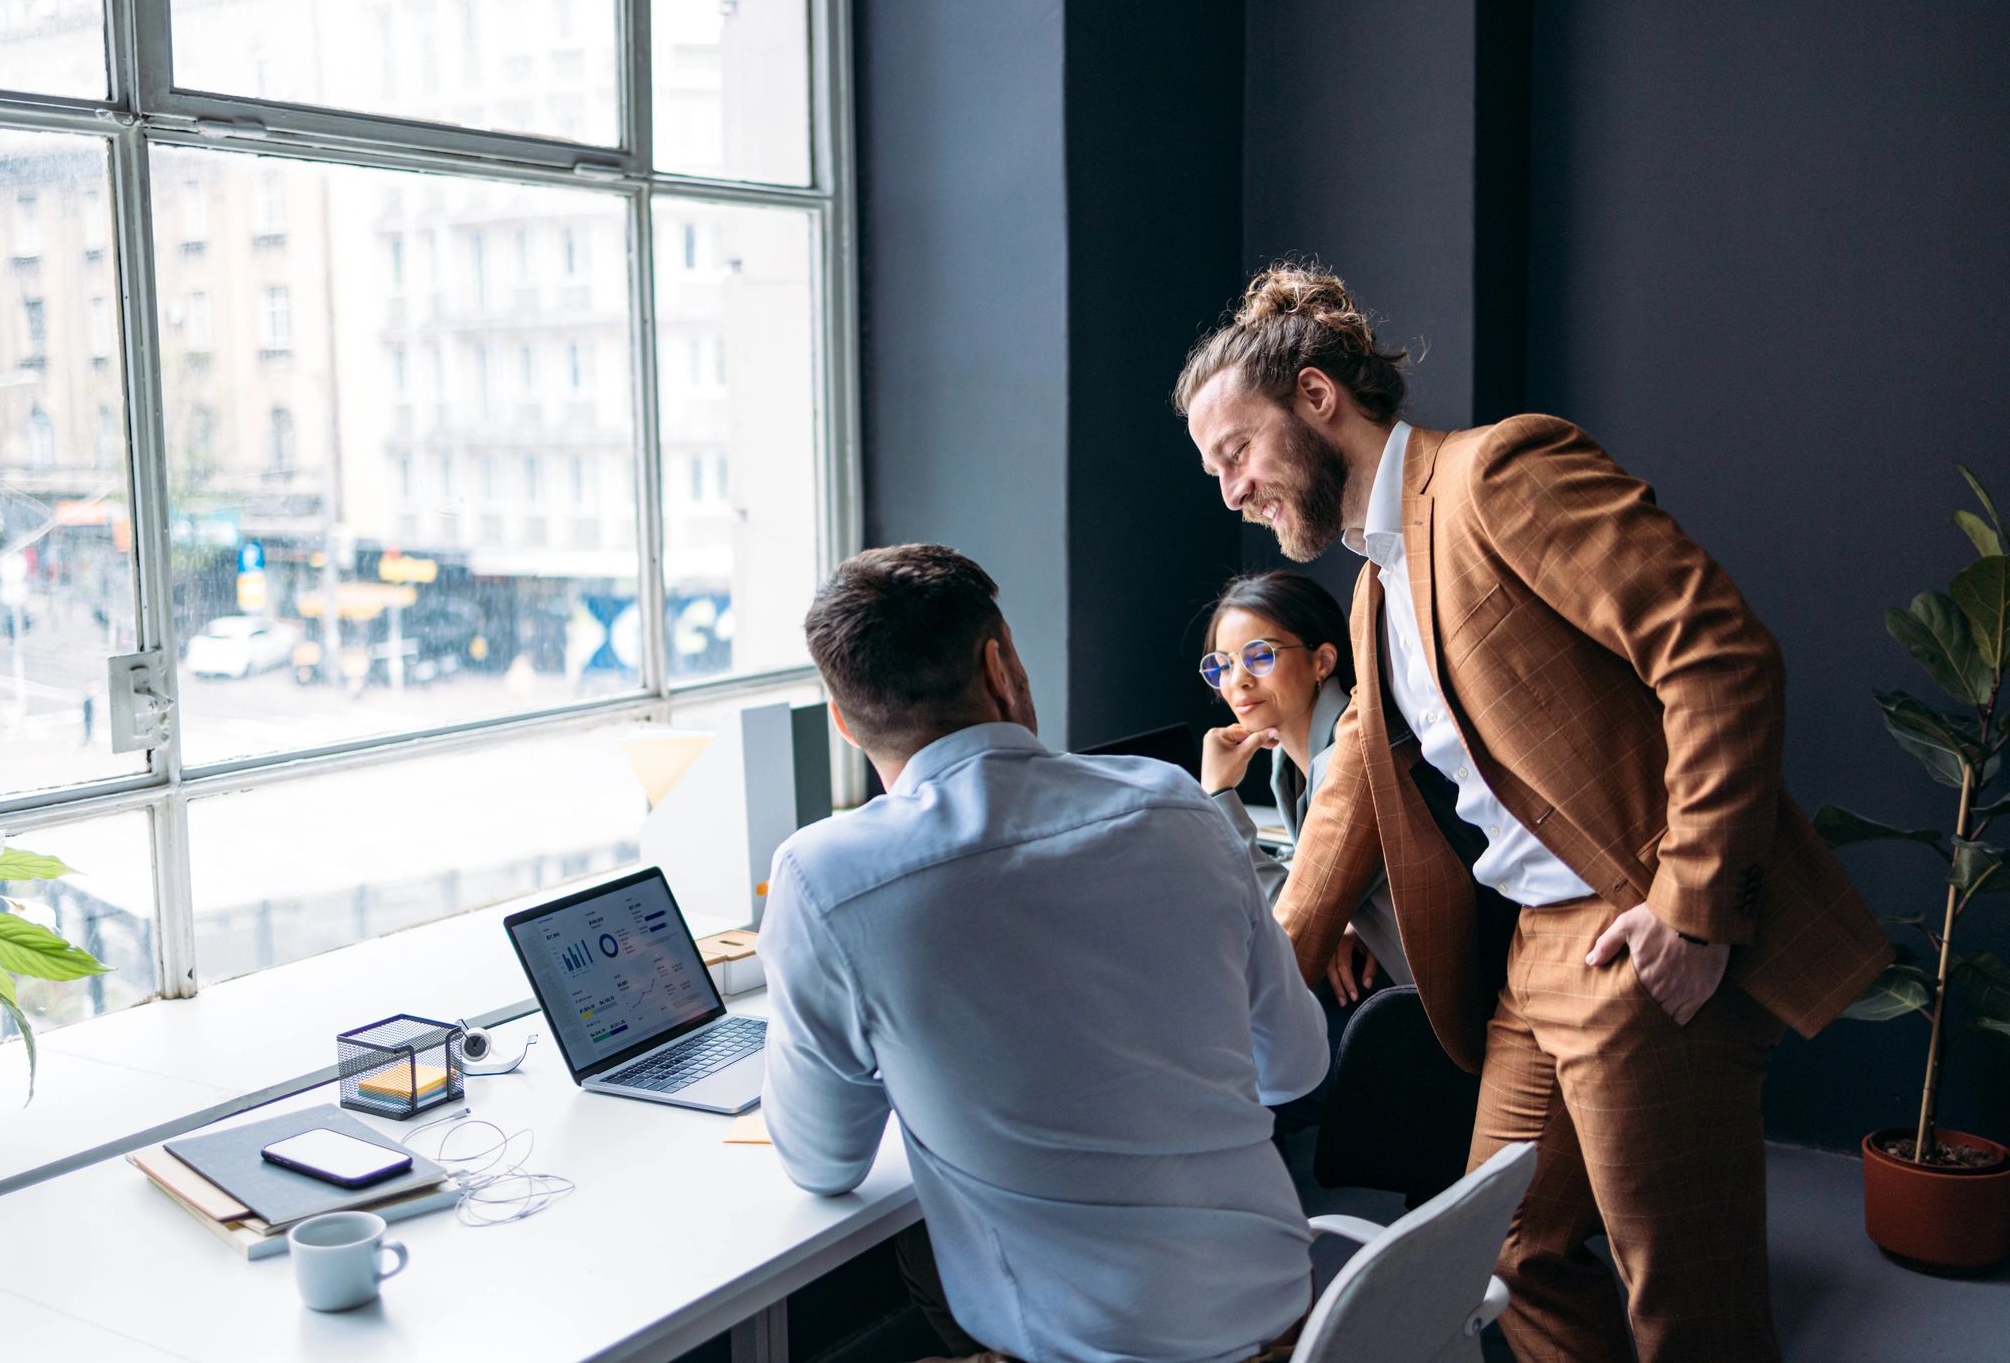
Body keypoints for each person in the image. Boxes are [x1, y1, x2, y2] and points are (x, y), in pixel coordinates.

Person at [1175, 262, 1890, 1362]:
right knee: (1508, 1258)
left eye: (1235, 453)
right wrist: (1240, 999)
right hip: (1533, 956)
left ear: (1317, 398)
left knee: (1685, 1309)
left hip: (1636, 934)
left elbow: (1716, 655)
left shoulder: (1495, 473)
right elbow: (1347, 799)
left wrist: (1691, 910)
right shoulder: (1373, 585)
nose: (1228, 490)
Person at [759, 543, 1329, 1363]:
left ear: (844, 723)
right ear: (1001, 668)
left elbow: (823, 1162)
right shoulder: (1177, 803)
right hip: (1286, 1318)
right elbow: (1294, 1069)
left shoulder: (824, 881)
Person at [1198, 569, 1410, 1004]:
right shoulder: (1288, 762)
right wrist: (1350, 919)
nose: (1237, 680)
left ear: (1322, 662)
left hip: (1422, 1006)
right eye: (1222, 664)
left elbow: (1284, 924)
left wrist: (1219, 795)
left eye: (1260, 656)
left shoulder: (1347, 761)